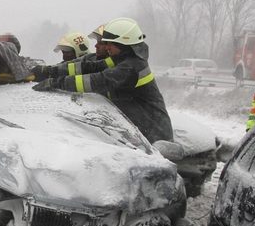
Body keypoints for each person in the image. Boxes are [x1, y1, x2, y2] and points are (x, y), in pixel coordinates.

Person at [32, 17, 173, 143]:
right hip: (136, 133)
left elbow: (96, 81)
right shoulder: (122, 59)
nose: (107, 47)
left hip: (155, 139)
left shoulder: (132, 67)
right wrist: (48, 71)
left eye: (110, 43)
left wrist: (56, 83)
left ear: (123, 44)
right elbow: (90, 67)